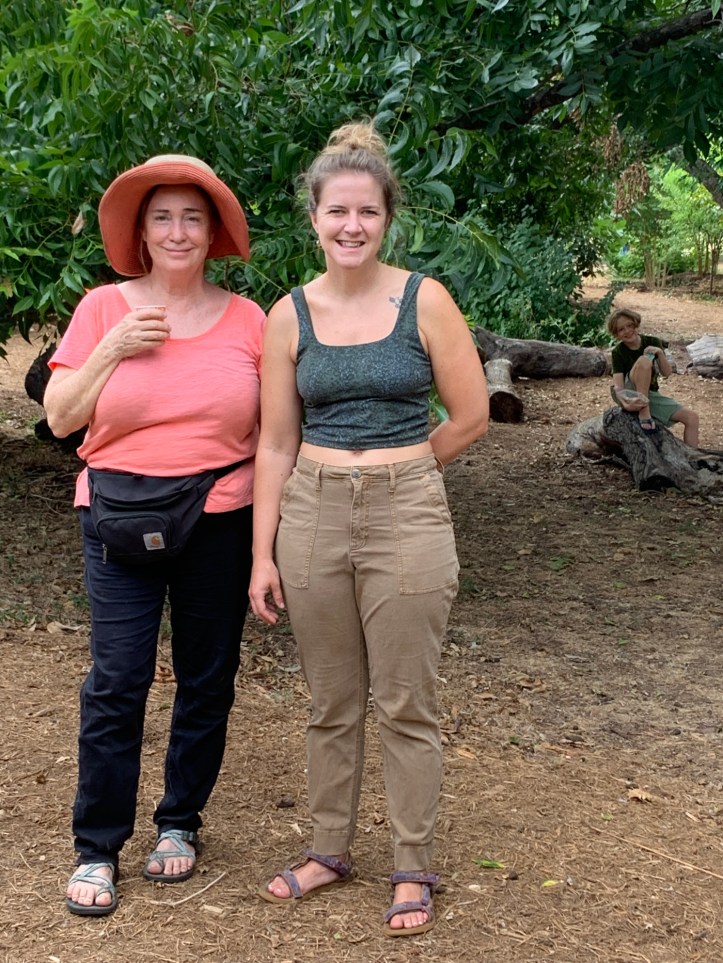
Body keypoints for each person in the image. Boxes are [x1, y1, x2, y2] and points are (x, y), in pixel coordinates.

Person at [248, 122, 489, 937]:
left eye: (367, 212)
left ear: (388, 218)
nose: (351, 225)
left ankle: (412, 862)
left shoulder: (424, 298)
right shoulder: (288, 315)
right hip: (310, 512)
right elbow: (274, 440)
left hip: (405, 511)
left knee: (406, 701)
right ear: (312, 217)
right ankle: (327, 848)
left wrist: (403, 465)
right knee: (331, 700)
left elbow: (470, 414)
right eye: (336, 211)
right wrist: (261, 552)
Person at [43, 155, 265, 916]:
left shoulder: (249, 320)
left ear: (213, 234)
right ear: (140, 231)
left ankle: (179, 822)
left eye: (192, 217)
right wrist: (112, 350)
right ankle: (98, 844)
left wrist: (269, 545)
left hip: (220, 514)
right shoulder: (103, 307)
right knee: (117, 680)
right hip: (115, 515)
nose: (177, 230)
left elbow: (273, 438)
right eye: (162, 216)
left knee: (207, 679)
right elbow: (60, 417)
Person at [608, 307, 699, 446]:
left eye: (629, 325)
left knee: (692, 418)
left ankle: (692, 459)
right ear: (616, 334)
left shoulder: (652, 342)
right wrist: (625, 402)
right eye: (621, 329)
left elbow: (667, 373)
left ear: (636, 324)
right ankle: (644, 411)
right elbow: (619, 387)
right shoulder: (618, 352)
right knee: (644, 361)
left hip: (650, 393)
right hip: (630, 392)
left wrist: (660, 353)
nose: (627, 331)